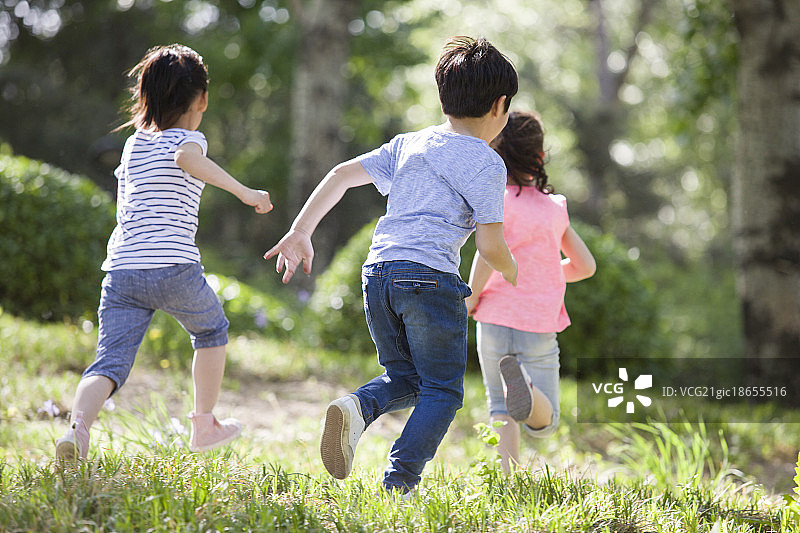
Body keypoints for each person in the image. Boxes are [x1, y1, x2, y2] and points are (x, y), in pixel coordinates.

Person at [264, 36, 518, 495]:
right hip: (430, 280)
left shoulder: (411, 143)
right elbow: (490, 243)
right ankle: (399, 481)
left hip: (378, 273)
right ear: (500, 105)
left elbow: (341, 174)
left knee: (405, 378)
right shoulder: (486, 162)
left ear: (444, 95)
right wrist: (516, 272)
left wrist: (301, 230)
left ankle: (357, 406)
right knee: (443, 391)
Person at [55, 44, 273, 461]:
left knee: (109, 363)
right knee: (211, 331)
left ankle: (77, 430)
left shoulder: (133, 144)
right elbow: (185, 157)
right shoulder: (192, 140)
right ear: (202, 99)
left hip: (122, 273)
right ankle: (204, 424)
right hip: (173, 267)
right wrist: (245, 192)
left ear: (147, 98)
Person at [465, 111, 596, 473]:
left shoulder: (496, 201)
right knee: (545, 423)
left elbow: (487, 253)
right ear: (539, 157)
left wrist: (471, 298)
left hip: (492, 318)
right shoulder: (555, 209)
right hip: (537, 325)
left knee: (499, 406)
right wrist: (545, 274)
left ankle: (508, 479)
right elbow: (585, 266)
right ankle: (524, 385)